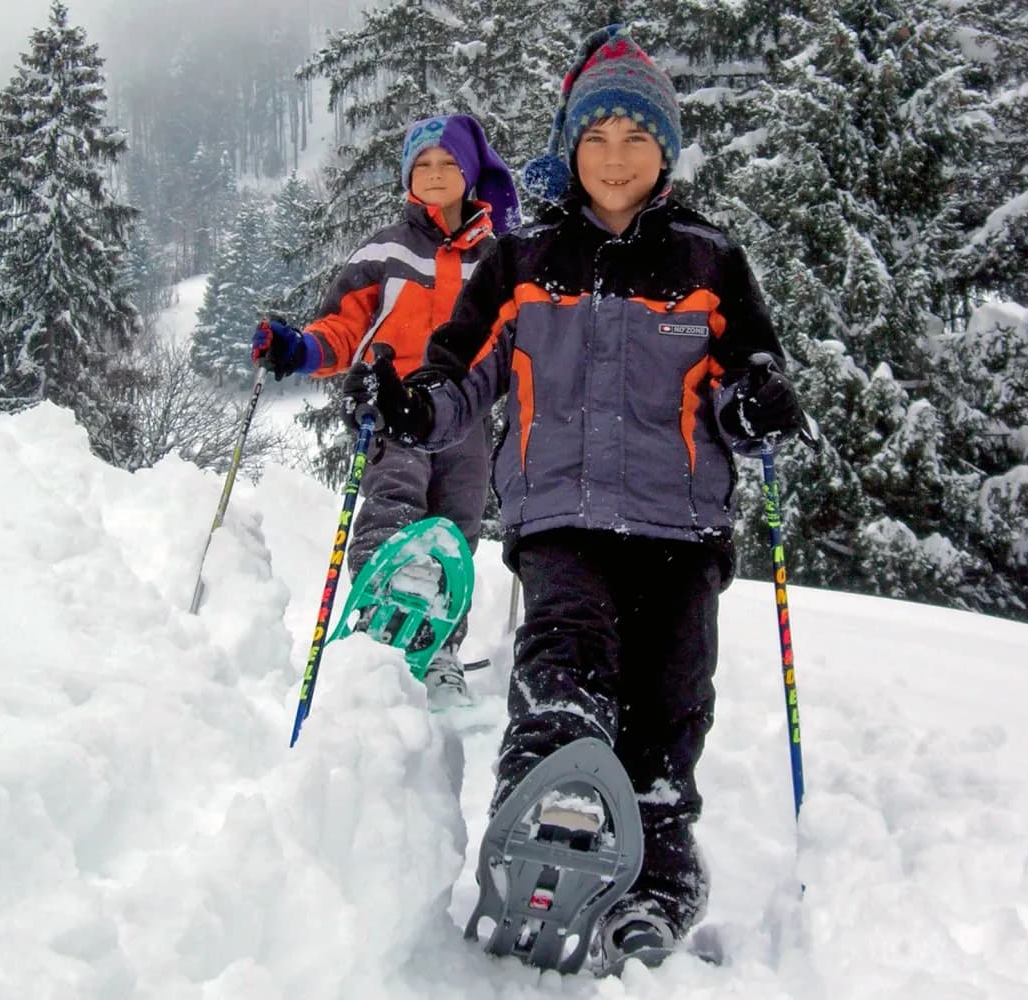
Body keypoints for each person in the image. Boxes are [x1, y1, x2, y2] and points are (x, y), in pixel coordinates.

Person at [342, 25, 803, 971]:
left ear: (665, 150)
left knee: (671, 704)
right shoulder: (525, 260)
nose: (616, 159)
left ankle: (659, 881)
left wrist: (758, 403)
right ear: (571, 148)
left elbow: (747, 374)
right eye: (597, 139)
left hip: (680, 525)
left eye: (636, 138)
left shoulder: (710, 261)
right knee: (564, 652)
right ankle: (539, 813)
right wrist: (404, 404)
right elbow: (458, 379)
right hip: (560, 515)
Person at [251, 114, 521, 709]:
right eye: (422, 165)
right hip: (388, 404)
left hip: (465, 412)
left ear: (471, 175)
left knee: (457, 527)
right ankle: (380, 627)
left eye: (447, 164)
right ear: (407, 177)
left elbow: (516, 335)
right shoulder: (383, 249)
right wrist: (299, 349)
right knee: (394, 502)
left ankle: (440, 649)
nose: (434, 175)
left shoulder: (497, 258)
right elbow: (343, 327)